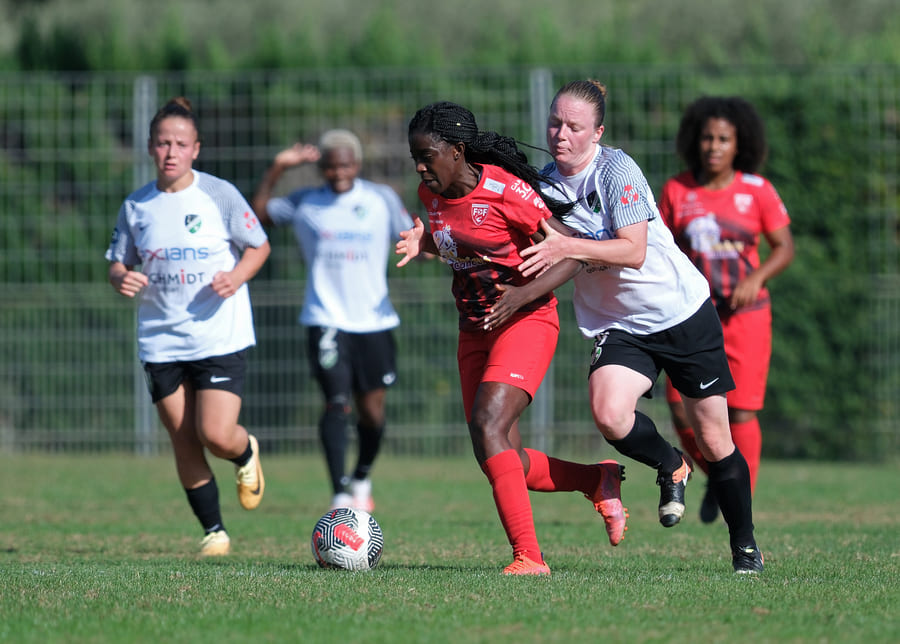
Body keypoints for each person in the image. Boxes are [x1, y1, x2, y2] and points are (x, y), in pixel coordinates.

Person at [511, 80, 763, 573]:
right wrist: (437, 241)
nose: (561, 134)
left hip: (680, 312)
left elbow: (633, 251)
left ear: (597, 133)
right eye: (555, 123)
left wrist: (568, 246)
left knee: (716, 439)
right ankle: (672, 464)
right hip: (620, 325)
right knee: (609, 413)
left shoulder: (616, 169)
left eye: (574, 126)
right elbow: (531, 248)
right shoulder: (541, 186)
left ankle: (746, 547)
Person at [396, 101, 627, 576]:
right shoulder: (430, 194)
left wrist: (522, 294)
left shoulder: (509, 193)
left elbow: (568, 254)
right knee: (501, 455)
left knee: (488, 425)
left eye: (427, 154)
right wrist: (424, 242)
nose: (420, 166)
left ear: (457, 151)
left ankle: (530, 559)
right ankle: (595, 478)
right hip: (473, 328)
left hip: (527, 320)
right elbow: (459, 244)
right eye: (414, 156)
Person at [105, 97, 269, 557]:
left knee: (215, 434)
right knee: (183, 439)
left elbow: (258, 246)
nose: (171, 152)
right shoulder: (137, 206)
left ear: (196, 149)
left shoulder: (219, 195)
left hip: (219, 334)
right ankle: (214, 532)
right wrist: (122, 278)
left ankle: (244, 452)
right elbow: (118, 264)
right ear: (150, 148)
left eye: (180, 143)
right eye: (162, 143)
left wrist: (236, 277)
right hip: (161, 339)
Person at [252, 129, 412, 512]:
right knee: (336, 403)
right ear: (322, 167)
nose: (339, 172)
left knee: (372, 412)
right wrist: (277, 168)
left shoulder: (380, 199)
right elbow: (257, 216)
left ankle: (361, 476)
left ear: (356, 165)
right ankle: (339, 492)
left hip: (374, 320)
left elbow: (409, 237)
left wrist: (430, 250)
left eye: (346, 164)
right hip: (326, 319)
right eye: (331, 165)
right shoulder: (306, 202)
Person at [658, 96, 794, 523]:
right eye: (706, 138)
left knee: (742, 410)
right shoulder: (678, 190)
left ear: (740, 144)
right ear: (694, 142)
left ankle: (739, 496)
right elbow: (659, 248)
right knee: (678, 401)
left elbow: (785, 247)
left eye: (723, 139)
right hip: (694, 316)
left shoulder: (757, 190)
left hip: (746, 319)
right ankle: (716, 471)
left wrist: (756, 278)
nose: (713, 146)